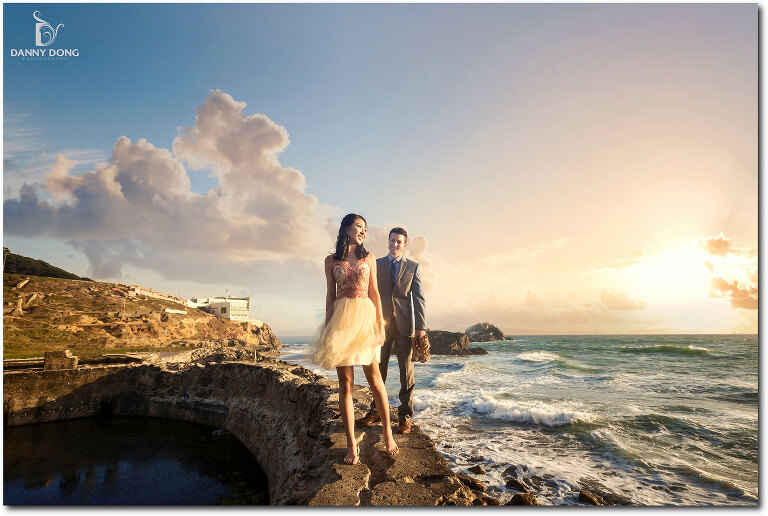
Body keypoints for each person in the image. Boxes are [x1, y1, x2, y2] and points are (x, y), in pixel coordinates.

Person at [311, 213, 399, 465]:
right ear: (347, 228)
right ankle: (351, 444)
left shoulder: (368, 257)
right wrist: (328, 327)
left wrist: (380, 323)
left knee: (375, 379)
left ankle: (387, 433)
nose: (363, 231)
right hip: (341, 321)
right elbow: (330, 294)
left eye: (365, 228)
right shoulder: (330, 260)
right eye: (359, 226)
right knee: (345, 384)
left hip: (365, 318)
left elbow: (374, 292)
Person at [356, 227, 426, 435]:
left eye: (399, 242)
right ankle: (376, 411)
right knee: (378, 371)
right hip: (380, 325)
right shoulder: (375, 265)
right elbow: (368, 293)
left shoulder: (413, 267)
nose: (395, 245)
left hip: (405, 327)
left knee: (407, 374)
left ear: (405, 245)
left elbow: (419, 298)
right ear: (388, 241)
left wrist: (421, 327)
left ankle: (405, 417)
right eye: (392, 241)